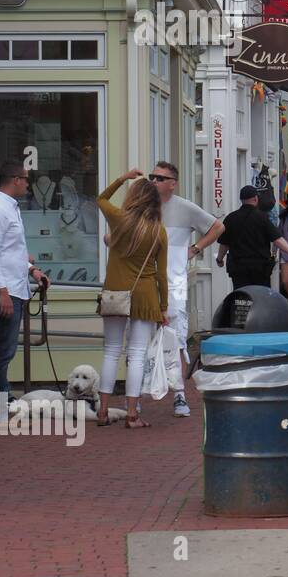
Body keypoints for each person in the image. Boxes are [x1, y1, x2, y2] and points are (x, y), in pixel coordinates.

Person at [95, 170, 169, 428]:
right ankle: (132, 415)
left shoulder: (119, 219)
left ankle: (102, 412)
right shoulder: (158, 231)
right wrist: (163, 307)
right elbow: (161, 275)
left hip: (115, 292)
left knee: (111, 352)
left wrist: (121, 178)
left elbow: (101, 199)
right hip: (146, 295)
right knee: (137, 355)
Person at [149, 160, 223, 418]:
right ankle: (135, 398)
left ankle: (179, 393)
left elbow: (218, 226)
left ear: (172, 183)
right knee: (138, 339)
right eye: (152, 177)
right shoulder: (142, 207)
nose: (154, 181)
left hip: (173, 283)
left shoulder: (184, 208)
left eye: (160, 178)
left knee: (176, 337)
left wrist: (195, 249)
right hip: (144, 282)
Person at [0, 163, 49, 409]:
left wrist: (32, 270)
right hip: (2, 292)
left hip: (13, 289)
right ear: (16, 179)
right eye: (26, 179)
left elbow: (12, 251)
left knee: (2, 353)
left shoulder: (8, 207)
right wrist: (2, 290)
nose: (28, 184)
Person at [216, 185, 288, 291]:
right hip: (260, 268)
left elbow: (225, 244)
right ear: (256, 198)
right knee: (261, 297)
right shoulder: (262, 217)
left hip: (238, 268)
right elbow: (278, 240)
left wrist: (219, 259)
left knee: (241, 296)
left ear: (241, 200)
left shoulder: (231, 218)